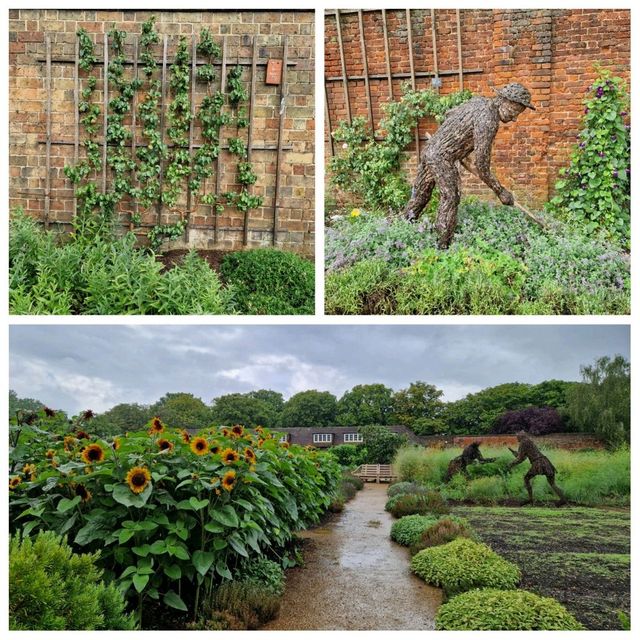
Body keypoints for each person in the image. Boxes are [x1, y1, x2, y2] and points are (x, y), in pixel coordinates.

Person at [404, 83, 536, 248]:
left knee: (420, 196)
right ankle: (442, 246)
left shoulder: (478, 102)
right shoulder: (489, 120)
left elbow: (449, 114)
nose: (514, 118)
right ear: (504, 100)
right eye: (514, 112)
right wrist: (500, 191)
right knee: (450, 198)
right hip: (442, 158)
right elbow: (481, 165)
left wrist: (458, 149)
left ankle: (402, 230)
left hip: (430, 151)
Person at [508, 432, 566, 505]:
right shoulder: (529, 441)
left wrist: (511, 464)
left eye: (517, 437)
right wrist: (514, 453)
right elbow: (523, 456)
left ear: (521, 436)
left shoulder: (523, 442)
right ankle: (563, 499)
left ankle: (530, 499)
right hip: (545, 461)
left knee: (526, 478)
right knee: (552, 483)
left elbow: (520, 459)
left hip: (538, 463)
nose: (517, 439)